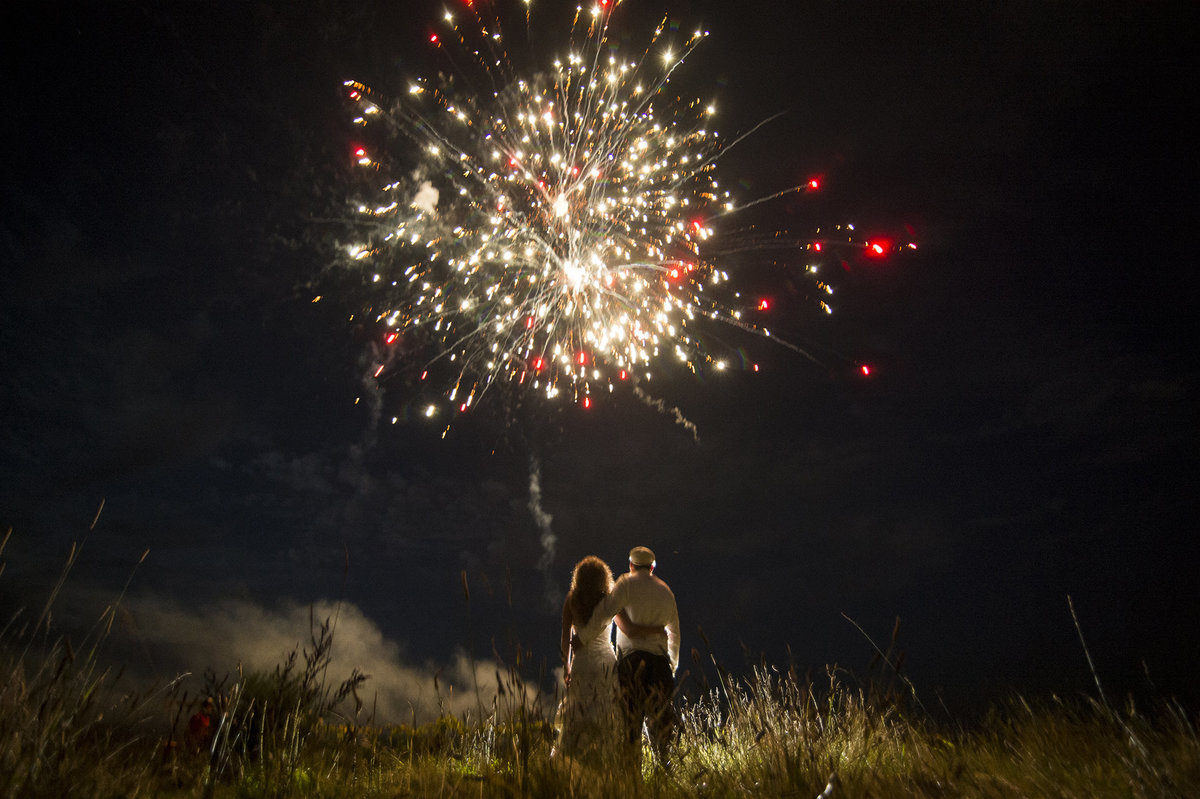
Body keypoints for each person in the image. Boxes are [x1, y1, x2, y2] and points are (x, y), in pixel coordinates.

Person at [553, 556, 664, 763]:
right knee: (605, 715)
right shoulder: (611, 600)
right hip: (605, 664)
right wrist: (656, 629)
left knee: (578, 715)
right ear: (604, 578)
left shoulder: (571, 600)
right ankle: (604, 763)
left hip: (582, 664)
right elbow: (630, 630)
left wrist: (567, 665)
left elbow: (565, 637)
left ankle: (574, 764)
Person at [611, 545, 680, 763]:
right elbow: (675, 633)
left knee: (631, 723)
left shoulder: (623, 583)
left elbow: (609, 612)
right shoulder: (665, 590)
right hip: (659, 664)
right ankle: (664, 768)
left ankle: (633, 775)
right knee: (660, 723)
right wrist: (672, 665)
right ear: (652, 567)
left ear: (630, 565)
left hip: (630, 663)